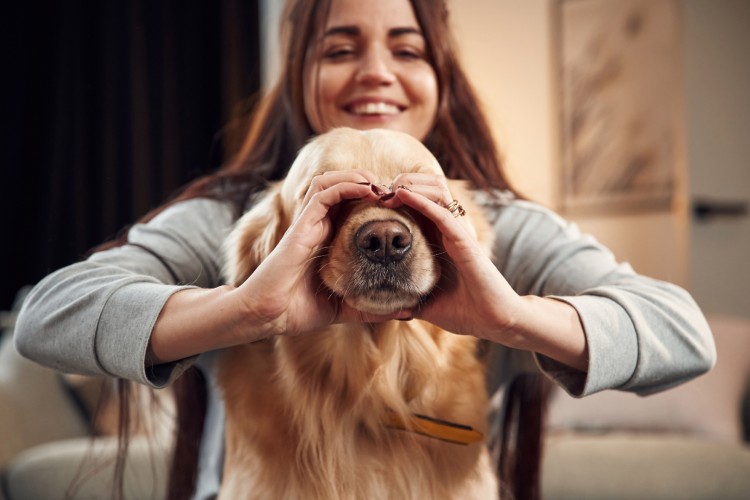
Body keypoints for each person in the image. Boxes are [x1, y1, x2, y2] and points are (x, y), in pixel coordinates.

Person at [14, 0, 715, 498]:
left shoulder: (493, 222)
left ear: (440, 78)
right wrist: (245, 309)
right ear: (298, 78)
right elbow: (49, 316)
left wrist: (509, 317)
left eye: (407, 49)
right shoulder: (231, 220)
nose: (377, 72)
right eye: (340, 48)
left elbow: (682, 334)